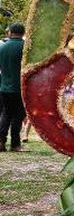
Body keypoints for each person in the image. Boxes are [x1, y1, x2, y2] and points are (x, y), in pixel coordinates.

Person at [0, 23, 26, 151]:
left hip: (4, 87)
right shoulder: (25, 47)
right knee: (18, 115)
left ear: (10, 32)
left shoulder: (2, 47)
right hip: (20, 87)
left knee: (6, 113)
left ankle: (1, 141)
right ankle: (15, 144)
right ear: (23, 32)